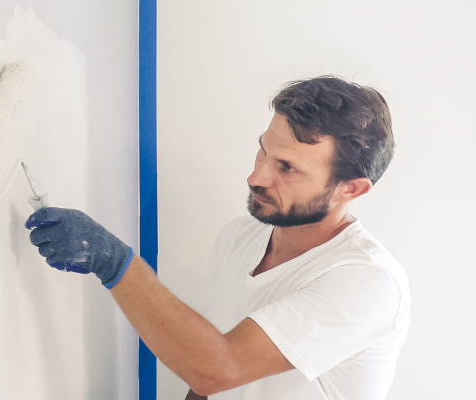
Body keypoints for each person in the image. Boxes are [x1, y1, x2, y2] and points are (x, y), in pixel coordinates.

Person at [27, 76, 409, 399]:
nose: (256, 177)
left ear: (351, 189)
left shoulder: (367, 283)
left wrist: (112, 260)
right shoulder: (240, 238)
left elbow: (220, 367)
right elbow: (211, 381)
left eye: (287, 168)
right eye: (263, 152)